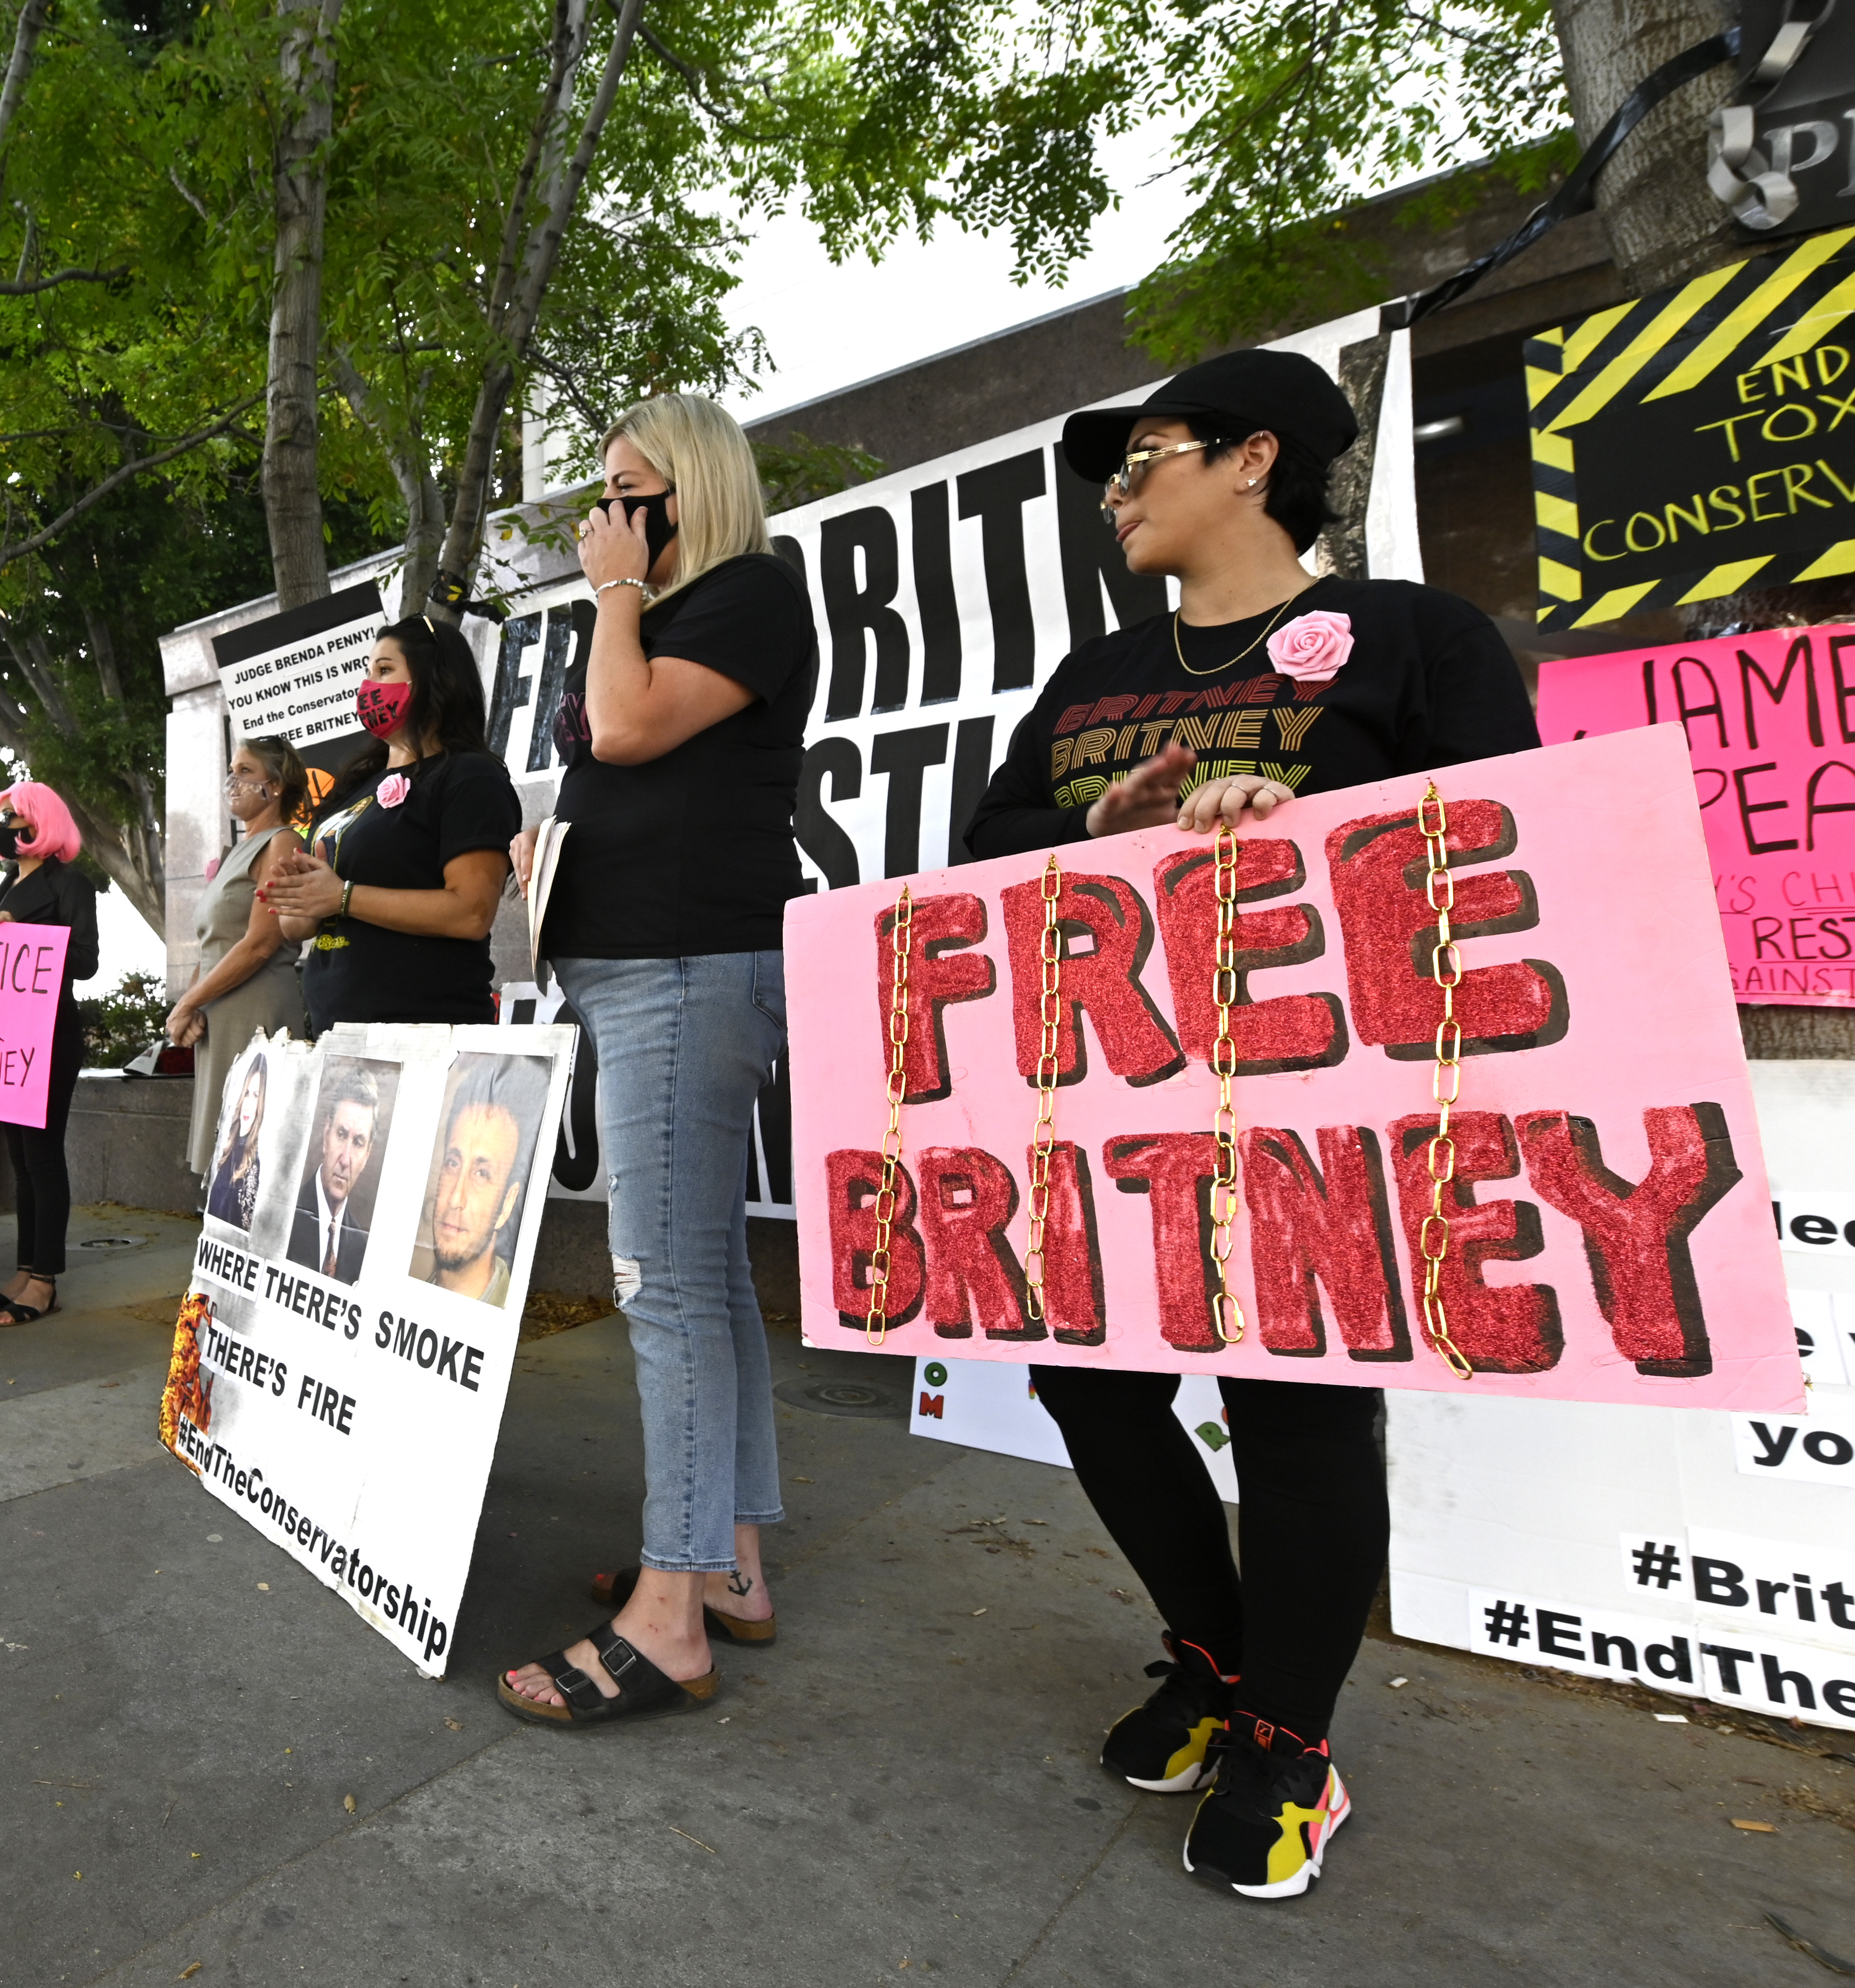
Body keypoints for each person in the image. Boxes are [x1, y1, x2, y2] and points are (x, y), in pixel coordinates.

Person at [956, 347, 1542, 1899]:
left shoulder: (1420, 639)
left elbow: (1504, 843)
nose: (1117, 490)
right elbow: (980, 854)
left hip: (1315, 1108)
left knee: (1292, 1414)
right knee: (1085, 1381)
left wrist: (1307, 827)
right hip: (1106, 1106)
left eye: (1143, 453)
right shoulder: (1091, 682)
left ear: (1253, 459)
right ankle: (1216, 1659)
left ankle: (1292, 1738)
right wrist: (1105, 822)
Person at [498, 392, 814, 1729]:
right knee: (708, 1289)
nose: (604, 521)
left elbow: (624, 729)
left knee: (667, 1292)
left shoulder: (748, 592)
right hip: (643, 966)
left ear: (690, 490)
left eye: (630, 493)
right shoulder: (674, 612)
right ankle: (727, 1561)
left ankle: (671, 1616)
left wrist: (615, 593)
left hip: (686, 971)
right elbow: (625, 764)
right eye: (605, 497)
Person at [262, 620, 516, 1028]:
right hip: (334, 1036)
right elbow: (297, 929)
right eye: (367, 674)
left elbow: (471, 912)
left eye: (384, 670)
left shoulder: (470, 777)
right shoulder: (355, 786)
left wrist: (343, 896)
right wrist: (301, 896)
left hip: (423, 1034)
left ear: (435, 677)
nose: (369, 687)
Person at [0, 782, 96, 1325]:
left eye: (14, 816)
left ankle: (45, 1279)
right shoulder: (4, 885)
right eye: (0, 816)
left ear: (40, 823)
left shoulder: (71, 884)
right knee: (21, 1161)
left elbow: (85, 960)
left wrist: (21, 932)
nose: (3, 826)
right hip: (8, 1037)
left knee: (43, 1155)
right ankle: (27, 1266)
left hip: (49, 1035)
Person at [168, 737, 309, 1175]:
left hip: (256, 1013)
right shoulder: (240, 851)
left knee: (250, 1165)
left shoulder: (282, 842)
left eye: (246, 771)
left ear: (278, 784)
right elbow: (215, 947)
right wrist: (191, 1004)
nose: (234, 781)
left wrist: (189, 1002)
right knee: (224, 1162)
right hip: (221, 1015)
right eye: (233, 770)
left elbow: (260, 942)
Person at [410, 1054, 541, 1305]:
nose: (456, 1199)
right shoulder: (405, 1301)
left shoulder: (510, 1323)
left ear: (507, 1205)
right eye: (453, 1164)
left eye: (482, 1174)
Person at [285, 1059, 387, 1283]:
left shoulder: (362, 1249)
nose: (345, 1159)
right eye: (341, 1135)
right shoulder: (285, 1217)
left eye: (358, 1143)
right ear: (326, 1134)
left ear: (368, 1154)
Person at [203, 1052, 270, 1231]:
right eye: (247, 1093)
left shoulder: (254, 1163)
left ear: (262, 1104)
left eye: (256, 1096)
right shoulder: (229, 1146)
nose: (248, 1104)